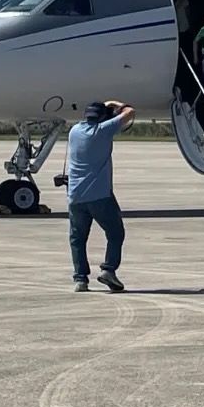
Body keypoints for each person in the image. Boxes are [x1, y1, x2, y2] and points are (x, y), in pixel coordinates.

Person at [66, 99, 135, 292]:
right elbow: (130, 112)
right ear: (103, 118)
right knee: (115, 233)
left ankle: (80, 279)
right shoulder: (102, 131)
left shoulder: (75, 131)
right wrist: (116, 104)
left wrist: (103, 107)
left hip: (75, 195)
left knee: (77, 239)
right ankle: (109, 269)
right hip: (99, 195)